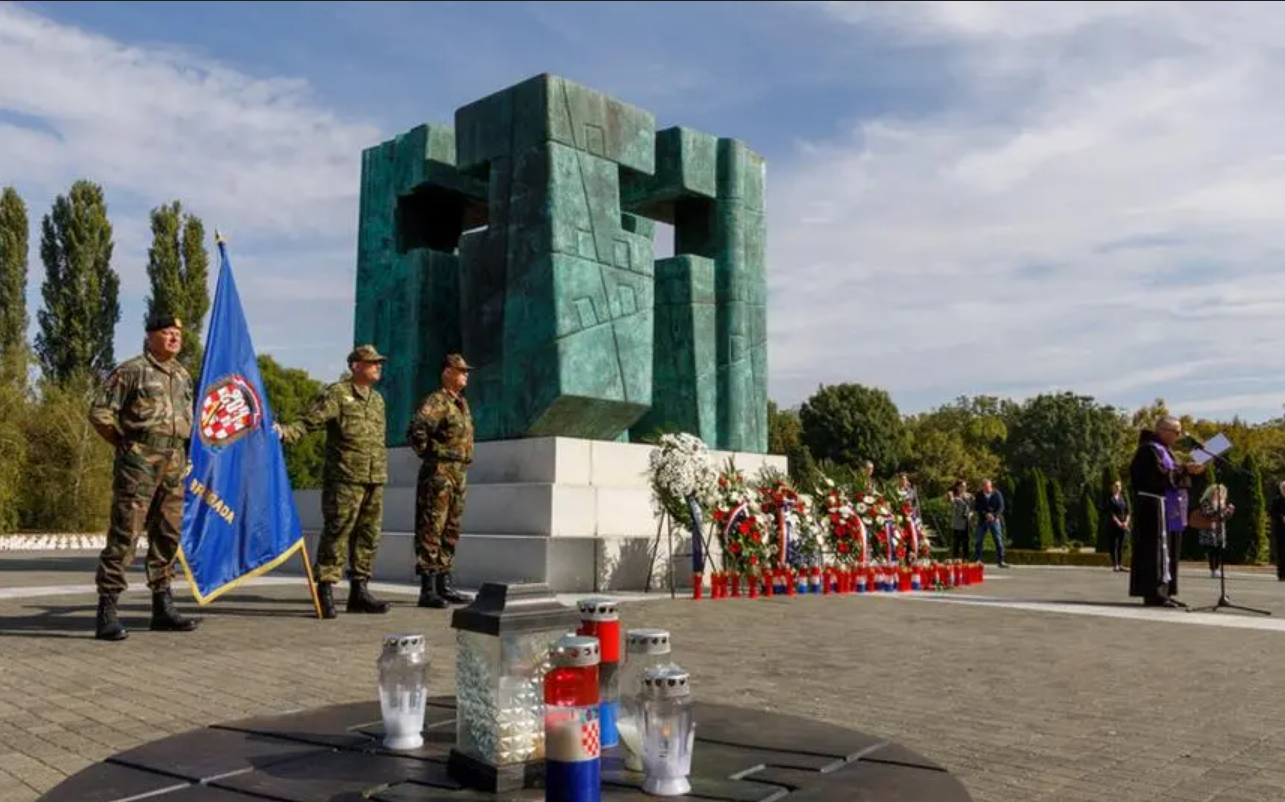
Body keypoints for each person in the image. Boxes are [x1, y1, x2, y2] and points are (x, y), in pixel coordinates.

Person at [87, 312, 200, 642]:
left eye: (178, 334)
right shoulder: (132, 370)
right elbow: (99, 412)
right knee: (126, 535)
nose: (175, 338)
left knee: (168, 534)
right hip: (139, 462)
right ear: (151, 336)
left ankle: (162, 607)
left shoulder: (182, 375)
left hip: (175, 462)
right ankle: (107, 610)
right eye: (167, 333)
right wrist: (123, 444)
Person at [275, 345, 391, 618]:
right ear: (356, 366)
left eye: (379, 362)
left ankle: (359, 591)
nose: (378, 366)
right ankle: (326, 588)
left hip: (374, 478)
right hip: (345, 479)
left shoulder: (377, 400)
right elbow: (308, 421)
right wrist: (285, 433)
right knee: (337, 532)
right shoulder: (337, 393)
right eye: (372, 362)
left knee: (368, 535)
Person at [406, 353, 476, 609]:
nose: (465, 374)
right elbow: (416, 432)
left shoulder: (461, 404)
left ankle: (444, 584)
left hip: (459, 473)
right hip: (439, 474)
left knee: (450, 528)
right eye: (460, 370)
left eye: (466, 371)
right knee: (431, 527)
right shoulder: (436, 401)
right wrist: (435, 455)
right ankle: (427, 589)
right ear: (446, 372)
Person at [1128, 415, 1205, 607]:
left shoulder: (1166, 452)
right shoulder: (1148, 450)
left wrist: (1188, 471)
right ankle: (1154, 593)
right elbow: (1157, 477)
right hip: (1152, 508)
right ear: (1162, 430)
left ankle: (1166, 591)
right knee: (1156, 550)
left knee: (1169, 549)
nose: (1178, 436)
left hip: (1167, 505)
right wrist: (1185, 469)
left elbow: (1175, 477)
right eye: (1176, 432)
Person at [1193, 483, 1235, 579]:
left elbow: (1223, 517)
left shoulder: (1222, 502)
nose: (1219, 494)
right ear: (1211, 492)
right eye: (1217, 492)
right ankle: (1213, 570)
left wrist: (1229, 512)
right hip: (1209, 530)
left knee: (1219, 550)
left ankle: (1217, 569)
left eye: (1221, 492)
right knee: (1212, 550)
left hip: (1220, 530)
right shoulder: (1206, 501)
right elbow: (1208, 514)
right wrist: (1221, 510)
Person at [972, 478, 1009, 567]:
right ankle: (978, 559)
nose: (987, 489)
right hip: (982, 520)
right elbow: (977, 507)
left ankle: (1001, 561)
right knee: (978, 540)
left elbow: (1001, 507)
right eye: (985, 487)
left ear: (991, 486)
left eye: (989, 487)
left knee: (998, 540)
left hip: (994, 520)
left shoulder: (997, 494)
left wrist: (993, 515)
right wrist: (985, 514)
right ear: (982, 487)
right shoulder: (979, 494)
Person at [1105, 480, 1131, 572]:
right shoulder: (1110, 498)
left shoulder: (1123, 497)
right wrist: (1119, 523)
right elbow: (1111, 513)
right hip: (1113, 525)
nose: (1117, 488)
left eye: (1119, 486)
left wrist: (1126, 522)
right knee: (1114, 545)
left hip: (1123, 525)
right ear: (1112, 487)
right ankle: (1115, 565)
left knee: (1121, 545)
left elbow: (1128, 511)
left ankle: (1120, 565)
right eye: (1116, 486)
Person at [947, 480, 973, 560]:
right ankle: (955, 558)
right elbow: (952, 506)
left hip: (966, 522)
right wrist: (951, 498)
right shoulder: (953, 496)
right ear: (957, 487)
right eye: (962, 486)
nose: (964, 488)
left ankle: (966, 558)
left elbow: (972, 507)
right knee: (956, 542)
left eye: (965, 486)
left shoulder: (969, 496)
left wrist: (971, 514)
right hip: (957, 522)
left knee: (966, 541)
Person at [1269, 482, 1285, 582]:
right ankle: (1281, 574)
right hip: (1280, 530)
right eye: (1283, 488)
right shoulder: (1276, 500)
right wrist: (1281, 517)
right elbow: (1272, 513)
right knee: (1281, 553)